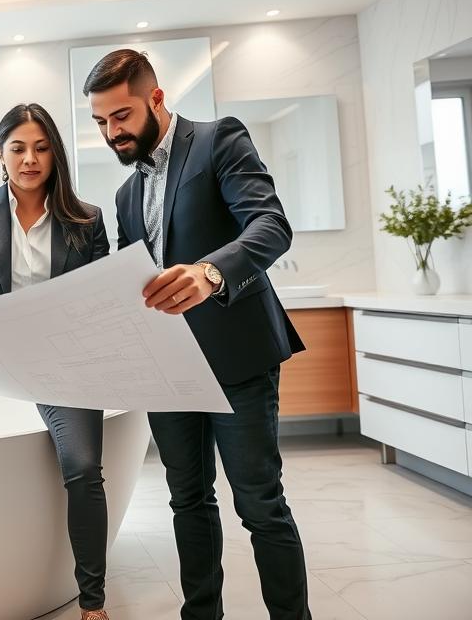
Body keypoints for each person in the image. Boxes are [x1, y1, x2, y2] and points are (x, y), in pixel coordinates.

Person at [84, 49, 312, 620]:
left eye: (122, 116)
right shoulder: (125, 195)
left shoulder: (218, 139)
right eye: (101, 122)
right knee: (187, 500)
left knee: (260, 503)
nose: (112, 133)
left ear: (156, 99)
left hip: (237, 359)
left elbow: (271, 225)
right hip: (169, 370)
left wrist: (210, 272)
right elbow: (132, 277)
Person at [0, 103, 113, 620]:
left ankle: (93, 602)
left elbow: (104, 298)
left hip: (65, 368)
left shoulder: (87, 219)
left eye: (41, 147)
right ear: (0, 154)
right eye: (18, 148)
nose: (30, 159)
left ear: (55, 153)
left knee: (83, 468)